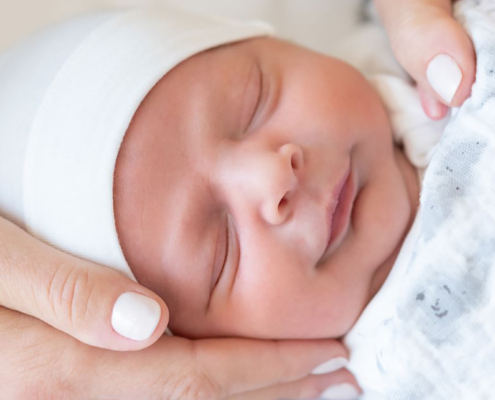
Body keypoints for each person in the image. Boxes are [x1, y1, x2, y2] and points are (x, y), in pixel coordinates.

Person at [0, 1, 475, 399]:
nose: (273, 178)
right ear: (218, 355)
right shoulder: (367, 379)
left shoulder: (450, 39)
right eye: (221, 250)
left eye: (253, 101)